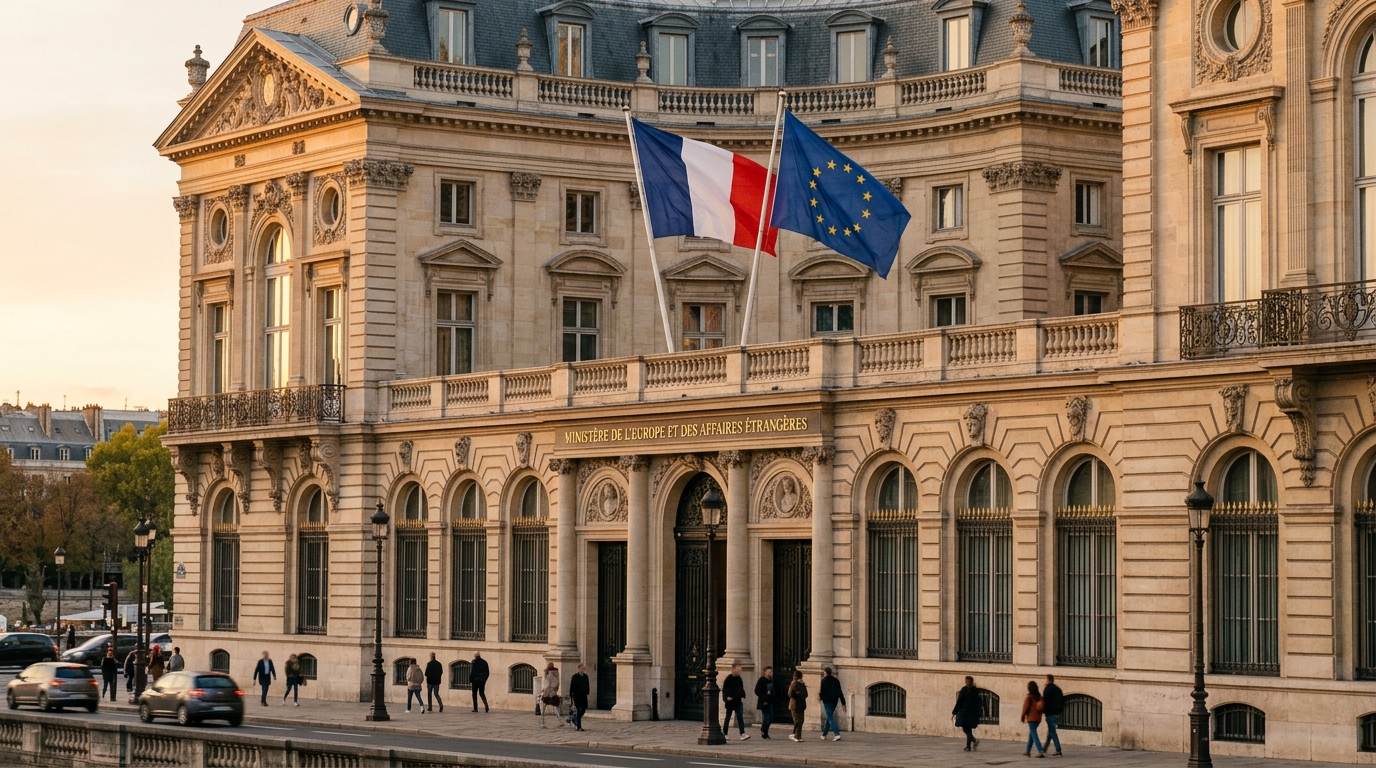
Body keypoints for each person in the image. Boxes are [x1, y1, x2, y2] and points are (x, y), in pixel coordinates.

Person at [952, 676, 983, 752]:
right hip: (969, 712)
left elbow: (960, 702)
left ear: (971, 681)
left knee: (966, 729)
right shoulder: (970, 690)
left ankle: (973, 741)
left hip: (966, 712)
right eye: (966, 681)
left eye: (968, 681)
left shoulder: (967, 690)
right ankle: (968, 746)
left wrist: (954, 712)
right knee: (968, 729)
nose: (967, 683)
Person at [818, 667, 846, 742]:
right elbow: (840, 692)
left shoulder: (823, 681)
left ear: (825, 672)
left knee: (830, 717)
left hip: (827, 701)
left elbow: (822, 691)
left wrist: (820, 698)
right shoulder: (836, 680)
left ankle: (837, 734)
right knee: (829, 716)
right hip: (834, 701)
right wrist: (843, 703)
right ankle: (824, 734)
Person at [721, 664, 749, 740]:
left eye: (740, 670)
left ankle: (742, 733)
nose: (740, 672)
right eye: (738, 670)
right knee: (728, 717)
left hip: (737, 701)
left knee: (740, 717)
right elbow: (725, 690)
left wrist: (738, 696)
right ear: (733, 669)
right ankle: (725, 733)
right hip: (730, 702)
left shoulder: (739, 679)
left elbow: (740, 690)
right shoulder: (728, 679)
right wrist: (726, 698)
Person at [1021, 680, 1046, 758]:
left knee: (1033, 734)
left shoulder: (1029, 697)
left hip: (1031, 718)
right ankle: (1028, 751)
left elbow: (1025, 707)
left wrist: (1022, 716)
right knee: (1031, 734)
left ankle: (1040, 751)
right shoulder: (1039, 696)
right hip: (1038, 718)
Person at [1042, 675, 1064, 757]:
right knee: (1050, 732)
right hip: (1057, 713)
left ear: (1048, 680)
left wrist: (1043, 711)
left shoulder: (1047, 689)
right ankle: (1044, 749)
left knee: (1052, 732)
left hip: (1050, 713)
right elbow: (1062, 700)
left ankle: (1058, 749)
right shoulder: (1058, 689)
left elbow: (1044, 701)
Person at [754, 666, 777, 739]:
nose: (770, 673)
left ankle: (765, 730)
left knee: (771, 717)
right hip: (763, 701)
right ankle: (764, 731)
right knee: (767, 717)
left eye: (771, 672)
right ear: (765, 672)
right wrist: (764, 695)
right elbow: (757, 691)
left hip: (770, 701)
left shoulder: (771, 680)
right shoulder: (762, 680)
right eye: (768, 672)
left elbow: (774, 690)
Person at [786, 670, 808, 742]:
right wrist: (799, 694)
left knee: (801, 720)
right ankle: (795, 735)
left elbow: (806, 694)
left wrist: (801, 692)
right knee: (797, 720)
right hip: (795, 705)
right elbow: (790, 694)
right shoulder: (794, 684)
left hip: (801, 705)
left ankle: (797, 735)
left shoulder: (802, 684)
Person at [539, 663, 563, 727]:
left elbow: (546, 683)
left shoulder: (550, 673)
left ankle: (543, 722)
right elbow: (554, 683)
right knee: (553, 706)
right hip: (550, 691)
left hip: (549, 691)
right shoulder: (552, 673)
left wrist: (543, 691)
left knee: (551, 706)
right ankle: (558, 721)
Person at [569, 663, 590, 731]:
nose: (583, 670)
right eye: (582, 668)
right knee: (578, 710)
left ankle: (574, 719)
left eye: (584, 669)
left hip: (583, 695)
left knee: (583, 709)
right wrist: (571, 696)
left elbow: (587, 685)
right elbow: (572, 686)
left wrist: (588, 694)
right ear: (579, 668)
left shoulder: (585, 676)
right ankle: (579, 726)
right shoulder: (575, 676)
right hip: (577, 695)